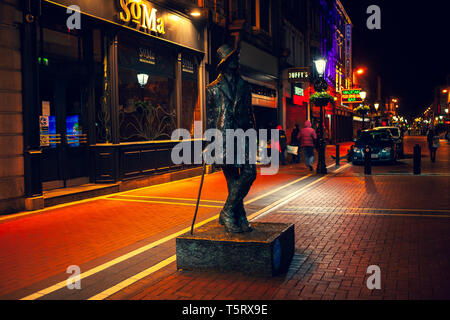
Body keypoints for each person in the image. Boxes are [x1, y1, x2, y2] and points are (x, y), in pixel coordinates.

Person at [206, 44, 256, 234]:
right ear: (225, 64)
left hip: (243, 134)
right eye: (233, 58)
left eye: (236, 57)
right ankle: (239, 216)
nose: (237, 61)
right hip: (224, 137)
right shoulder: (213, 88)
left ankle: (227, 212)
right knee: (233, 179)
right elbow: (211, 118)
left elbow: (250, 114)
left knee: (250, 172)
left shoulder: (244, 85)